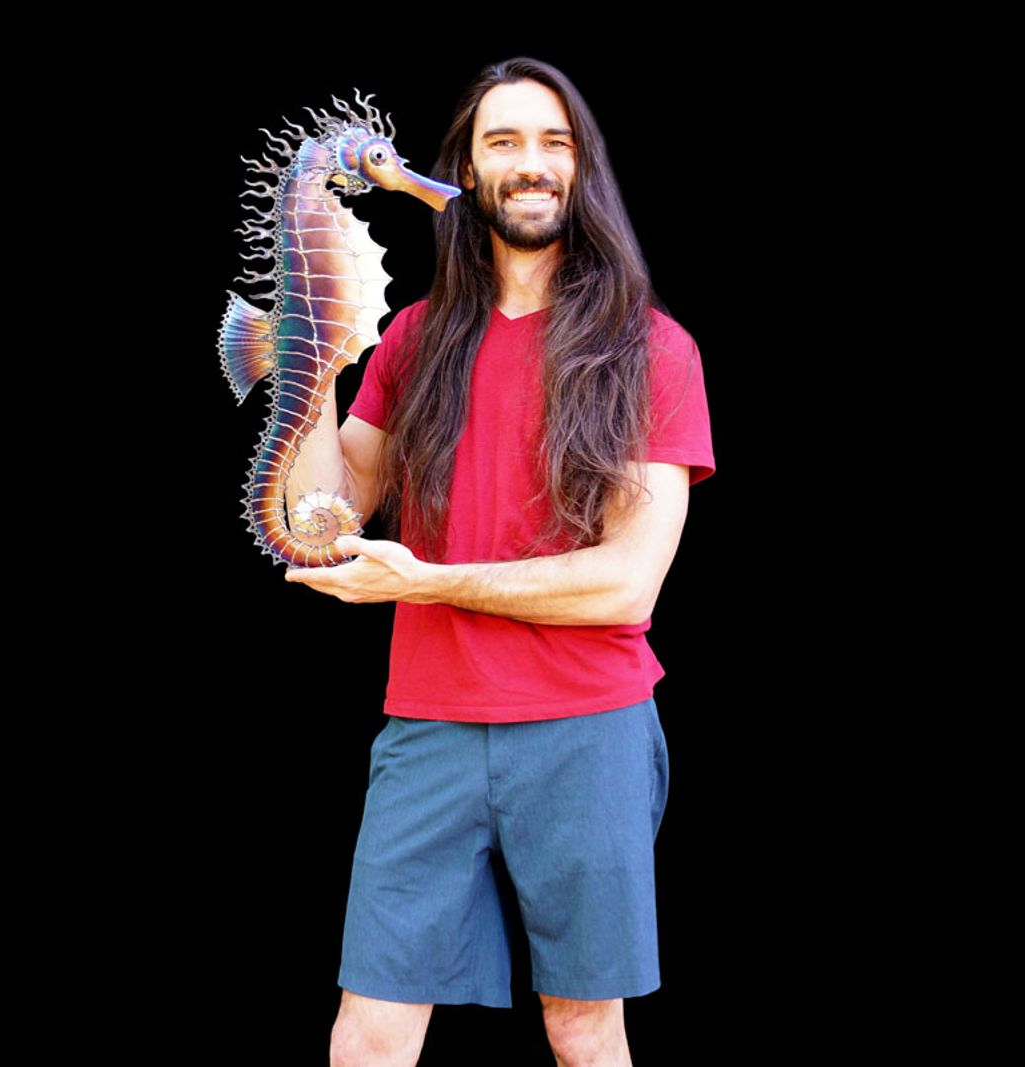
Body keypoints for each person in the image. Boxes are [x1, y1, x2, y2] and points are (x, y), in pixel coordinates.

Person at [283, 56, 715, 1067]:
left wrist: (426, 582)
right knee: (370, 1033)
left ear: (581, 171)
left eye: (552, 142)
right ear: (464, 175)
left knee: (580, 1025)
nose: (529, 163)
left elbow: (624, 581)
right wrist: (313, 356)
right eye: (502, 142)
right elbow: (324, 514)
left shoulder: (650, 348)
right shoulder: (414, 339)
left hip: (585, 728)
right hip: (428, 727)